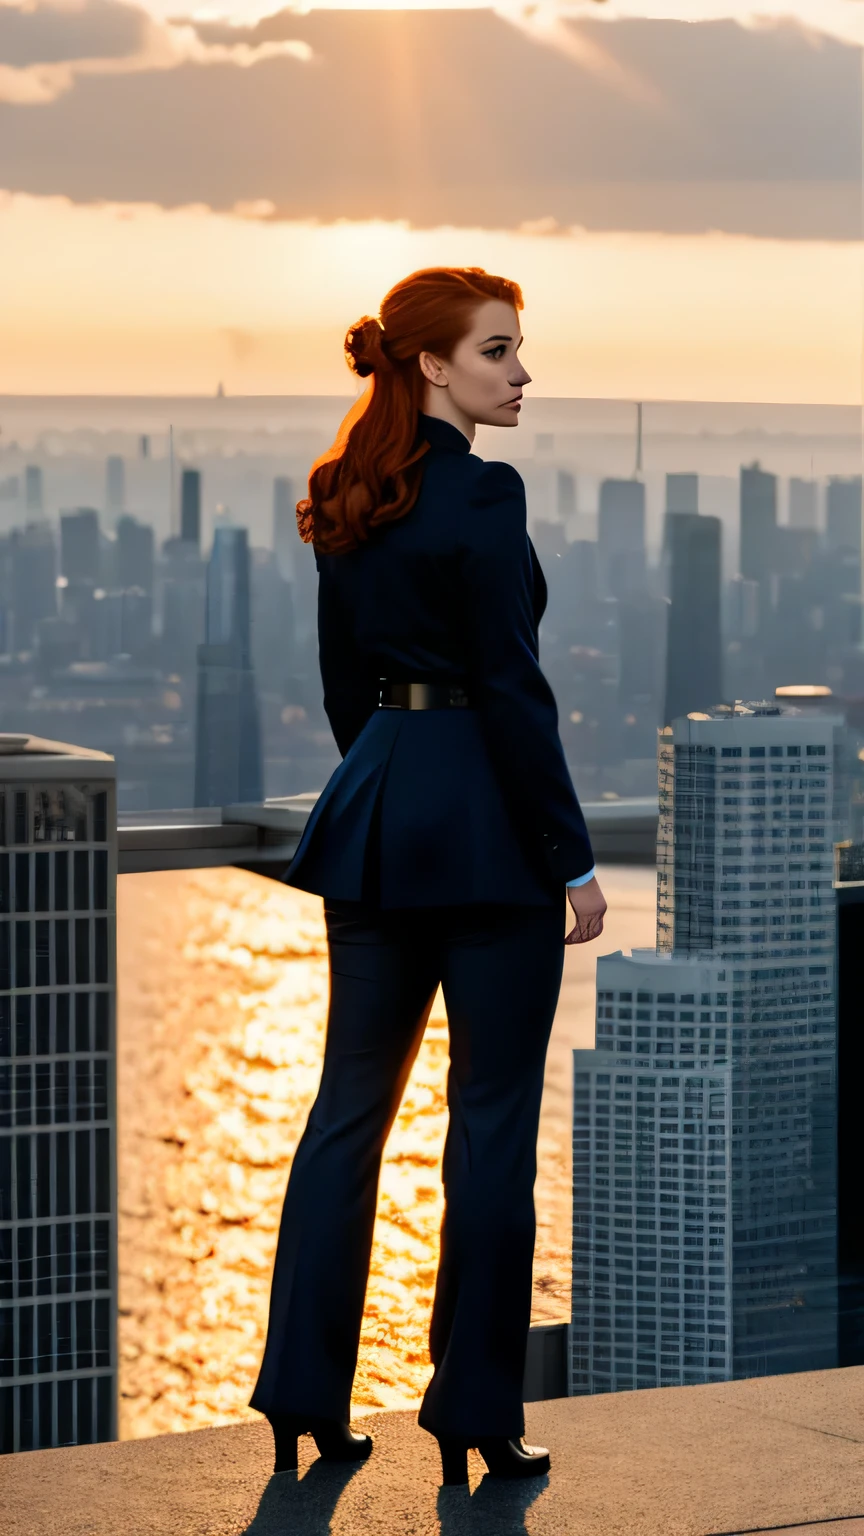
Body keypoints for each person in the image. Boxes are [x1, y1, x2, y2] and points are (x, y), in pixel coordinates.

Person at [248, 265, 607, 1487]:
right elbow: (514, 689)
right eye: (498, 350)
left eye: (518, 350)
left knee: (346, 1117)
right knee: (490, 1129)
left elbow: (344, 683)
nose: (519, 372)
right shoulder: (486, 498)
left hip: (381, 814)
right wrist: (572, 858)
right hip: (493, 834)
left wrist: (397, 781)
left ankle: (301, 1396)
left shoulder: (346, 492)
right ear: (433, 366)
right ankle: (473, 1413)